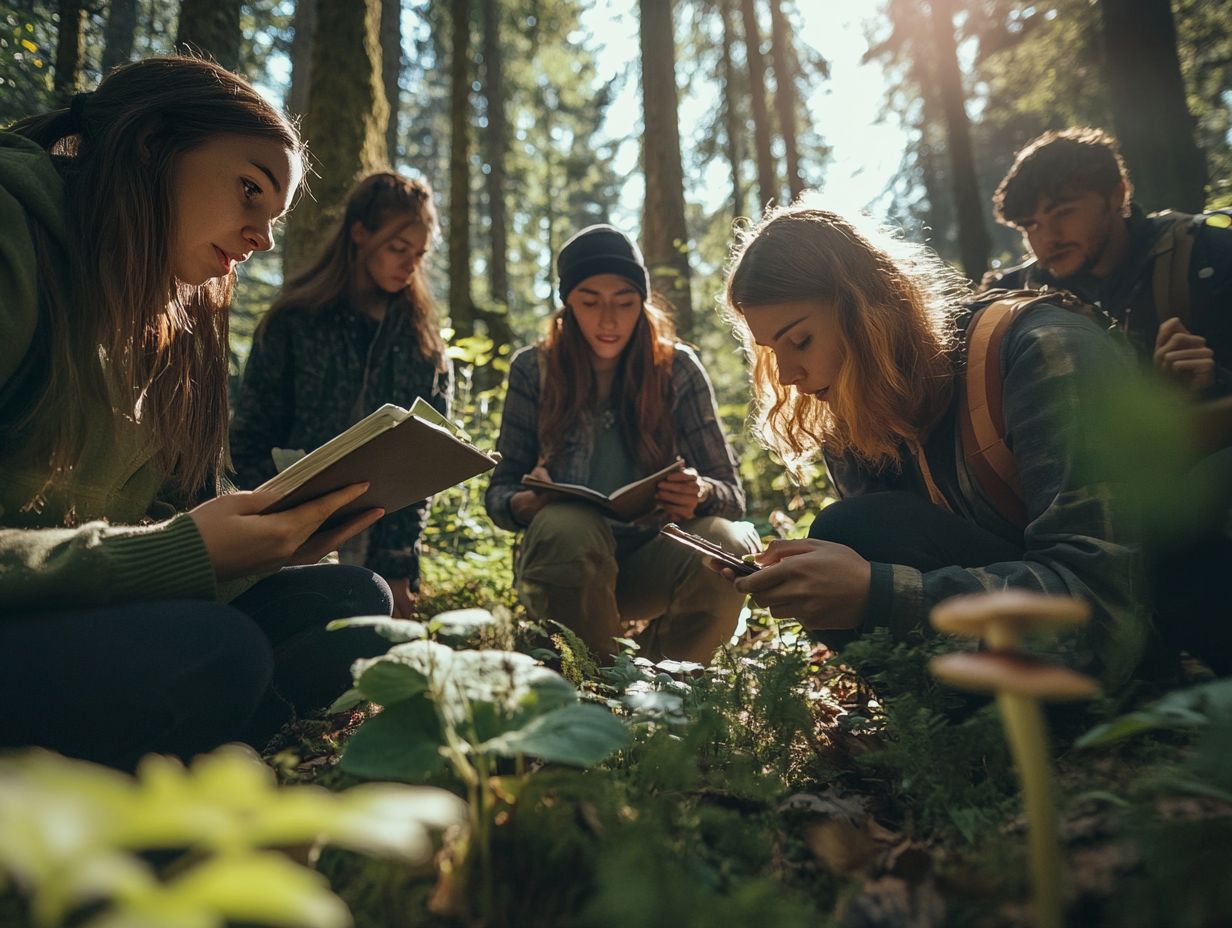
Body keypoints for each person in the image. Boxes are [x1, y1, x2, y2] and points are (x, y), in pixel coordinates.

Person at [0, 57, 393, 771]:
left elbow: (156, 530)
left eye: (273, 218)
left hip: (70, 608)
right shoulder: (13, 240)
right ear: (151, 144)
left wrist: (261, 549)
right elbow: (150, 555)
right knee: (222, 655)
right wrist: (183, 554)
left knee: (351, 601)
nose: (262, 238)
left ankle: (204, 736)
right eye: (250, 189)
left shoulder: (164, 321)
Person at [719, 205, 1151, 688]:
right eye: (771, 353)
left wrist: (879, 594)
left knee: (854, 531)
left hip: (1129, 660)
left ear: (869, 309)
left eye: (800, 340)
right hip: (1001, 675)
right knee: (844, 541)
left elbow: (1107, 608)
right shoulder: (852, 417)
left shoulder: (1042, 352)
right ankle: (972, 742)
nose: (787, 377)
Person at [484, 224, 759, 663]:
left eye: (625, 302)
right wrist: (525, 502)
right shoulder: (533, 370)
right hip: (566, 565)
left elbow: (732, 495)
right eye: (590, 301)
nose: (608, 320)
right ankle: (595, 684)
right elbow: (497, 494)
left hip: (654, 558)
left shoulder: (677, 369)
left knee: (729, 543)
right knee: (566, 526)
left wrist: (700, 492)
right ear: (567, 302)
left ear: (643, 302)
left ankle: (670, 689)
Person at [230, 172, 452, 618]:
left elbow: (426, 460)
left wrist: (399, 565)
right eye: (397, 248)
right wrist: (275, 535)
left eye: (420, 254)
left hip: (380, 539)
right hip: (288, 535)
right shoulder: (295, 323)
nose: (410, 265)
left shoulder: (421, 341)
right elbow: (250, 437)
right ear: (359, 233)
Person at [984, 127, 1231, 398]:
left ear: (1117, 195)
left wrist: (1214, 381)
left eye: (1063, 213)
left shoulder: (1207, 253)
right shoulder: (1011, 296)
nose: (1048, 238)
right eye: (1030, 226)